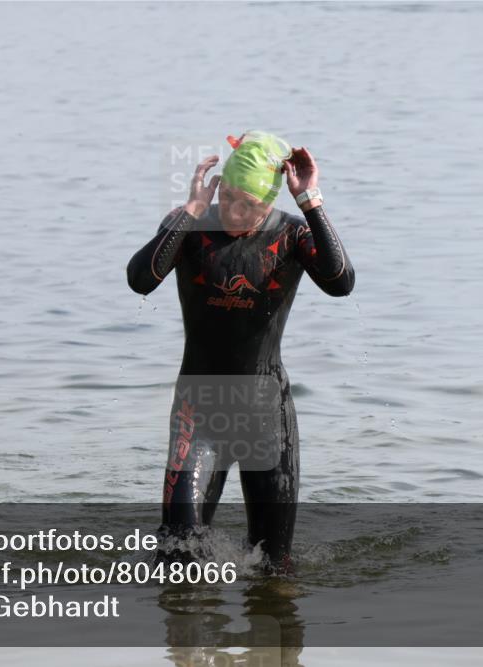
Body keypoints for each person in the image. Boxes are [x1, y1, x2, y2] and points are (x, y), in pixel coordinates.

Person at [126, 131, 355, 573]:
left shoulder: (291, 234)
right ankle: (187, 635)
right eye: (228, 196)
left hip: (266, 416)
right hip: (199, 411)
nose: (234, 210)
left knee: (274, 565)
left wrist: (311, 200)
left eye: (248, 203)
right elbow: (141, 279)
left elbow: (341, 282)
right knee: (177, 553)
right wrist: (192, 209)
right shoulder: (189, 225)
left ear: (269, 200)